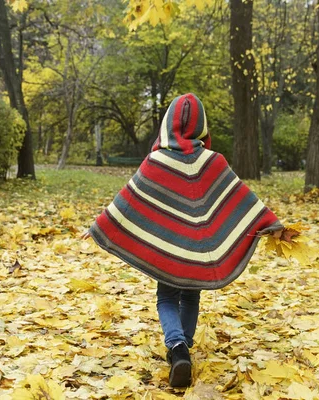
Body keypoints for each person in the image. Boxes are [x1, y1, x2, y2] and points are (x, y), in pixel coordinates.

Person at [82, 93, 289, 388]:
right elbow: (241, 196)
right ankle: (183, 349)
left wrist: (100, 225)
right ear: (201, 127)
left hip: (169, 250)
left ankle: (177, 348)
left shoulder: (157, 160)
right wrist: (271, 223)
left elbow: (128, 198)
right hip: (198, 250)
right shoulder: (212, 161)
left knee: (167, 297)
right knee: (191, 294)